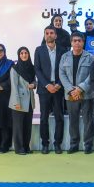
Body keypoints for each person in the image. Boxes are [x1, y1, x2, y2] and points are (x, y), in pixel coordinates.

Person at [59, 32, 94, 154]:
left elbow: (92, 75)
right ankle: (74, 144)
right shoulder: (64, 57)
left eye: (79, 41)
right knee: (73, 121)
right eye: (74, 41)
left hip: (86, 94)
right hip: (70, 95)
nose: (77, 43)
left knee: (88, 121)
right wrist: (71, 90)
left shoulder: (90, 57)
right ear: (71, 42)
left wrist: (80, 88)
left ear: (83, 42)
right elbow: (62, 74)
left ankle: (88, 145)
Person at [34, 26, 68, 154]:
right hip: (44, 89)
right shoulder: (39, 50)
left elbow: (65, 69)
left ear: (56, 35)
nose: (49, 35)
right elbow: (37, 69)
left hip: (59, 88)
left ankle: (57, 144)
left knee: (59, 117)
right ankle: (45, 144)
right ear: (44, 35)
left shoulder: (63, 50)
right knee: (44, 118)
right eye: (47, 33)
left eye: (51, 33)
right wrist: (47, 85)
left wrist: (59, 84)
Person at [9, 47, 36, 155]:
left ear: (28, 54)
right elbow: (14, 87)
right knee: (18, 126)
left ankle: (26, 146)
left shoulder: (32, 67)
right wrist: (16, 102)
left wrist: (34, 84)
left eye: (26, 53)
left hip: (29, 100)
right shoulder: (15, 69)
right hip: (19, 100)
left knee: (27, 125)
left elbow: (34, 81)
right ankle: (19, 148)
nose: (24, 55)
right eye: (21, 53)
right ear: (18, 55)